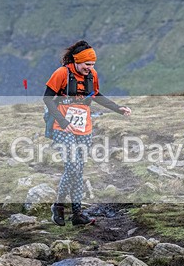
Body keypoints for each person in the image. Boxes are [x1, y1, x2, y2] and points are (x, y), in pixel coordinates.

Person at [44, 40, 131, 226]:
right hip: (62, 127)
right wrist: (62, 120)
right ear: (77, 61)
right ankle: (58, 206)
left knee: (79, 170)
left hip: (85, 128)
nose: (89, 68)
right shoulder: (61, 74)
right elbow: (47, 99)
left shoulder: (92, 75)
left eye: (92, 65)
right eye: (86, 65)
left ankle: (77, 214)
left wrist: (118, 108)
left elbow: (96, 95)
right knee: (73, 167)